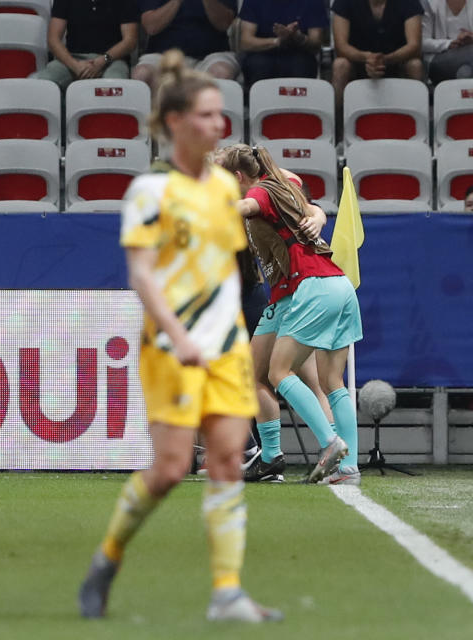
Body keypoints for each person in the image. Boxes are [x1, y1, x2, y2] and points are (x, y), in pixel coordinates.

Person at [77, 50, 282, 624]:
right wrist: (179, 333)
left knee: (227, 463)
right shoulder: (149, 191)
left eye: (220, 116)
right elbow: (142, 275)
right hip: (172, 349)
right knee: (170, 470)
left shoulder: (222, 188)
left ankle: (227, 593)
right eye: (206, 115)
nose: (218, 126)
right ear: (174, 122)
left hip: (225, 350)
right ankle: (107, 559)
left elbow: (233, 269)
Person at [217, 144, 363, 486]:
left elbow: (250, 202)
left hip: (310, 285)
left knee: (279, 372)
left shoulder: (259, 190)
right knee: (326, 381)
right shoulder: (277, 185)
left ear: (237, 177)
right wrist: (316, 213)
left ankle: (330, 444)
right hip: (325, 286)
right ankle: (345, 468)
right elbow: (297, 196)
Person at [331, 0, 425, 119]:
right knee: (340, 65)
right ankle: (336, 127)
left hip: (396, 61)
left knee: (415, 65)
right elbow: (341, 47)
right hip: (357, 61)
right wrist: (367, 57)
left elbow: (415, 46)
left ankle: (419, 125)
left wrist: (386, 59)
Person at [132, 0, 240, 92]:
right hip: (163, 57)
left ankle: (209, 115)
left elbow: (224, 24)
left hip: (211, 56)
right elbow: (151, 27)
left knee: (222, 72)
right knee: (142, 74)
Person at [36, 0, 140, 90]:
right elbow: (53, 40)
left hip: (112, 60)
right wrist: (75, 66)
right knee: (44, 82)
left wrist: (102, 61)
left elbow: (130, 41)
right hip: (73, 59)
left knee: (114, 85)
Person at [238, 0, 328, 87]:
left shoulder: (313, 1)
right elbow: (246, 42)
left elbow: (316, 44)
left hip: (300, 54)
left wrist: (299, 37)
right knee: (259, 65)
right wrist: (278, 41)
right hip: (262, 54)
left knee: (301, 65)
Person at [421, 0, 473, 83]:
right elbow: (422, 43)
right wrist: (449, 44)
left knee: (466, 72)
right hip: (438, 58)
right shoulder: (429, 3)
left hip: (469, 56)